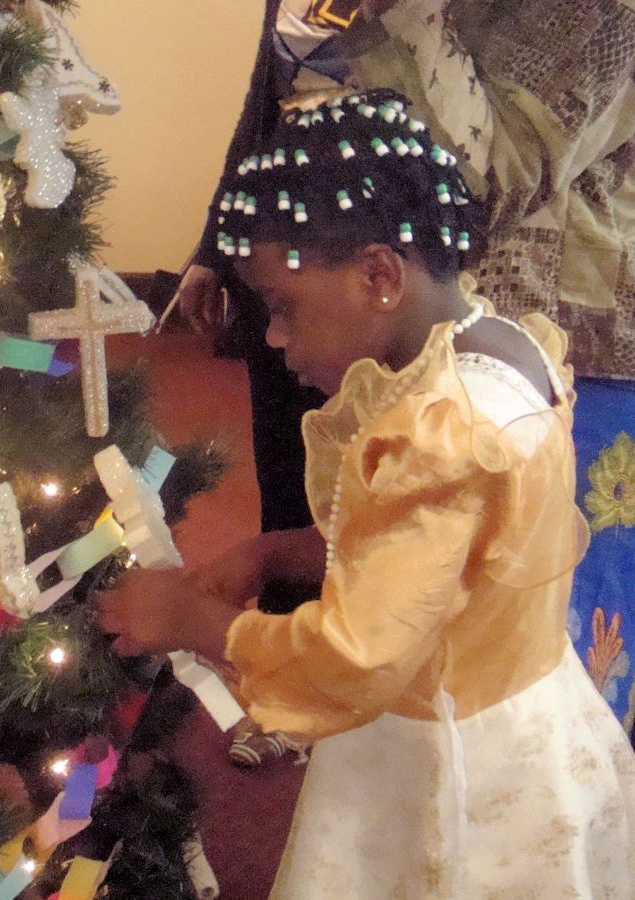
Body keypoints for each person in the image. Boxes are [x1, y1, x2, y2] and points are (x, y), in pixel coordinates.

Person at [101, 89, 635, 897]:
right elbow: (450, 555)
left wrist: (193, 621)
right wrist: (277, 549)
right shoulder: (506, 348)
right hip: (527, 709)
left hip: (448, 762)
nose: (274, 339)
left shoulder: (440, 434)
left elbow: (357, 657)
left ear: (379, 273)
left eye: (283, 309)